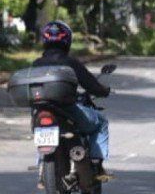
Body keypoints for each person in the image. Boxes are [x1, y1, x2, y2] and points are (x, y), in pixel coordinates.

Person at [33, 20, 112, 179]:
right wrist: (104, 90)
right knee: (101, 121)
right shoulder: (70, 63)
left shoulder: (36, 64)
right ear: (67, 41)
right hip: (68, 112)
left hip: (39, 113)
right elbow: (92, 86)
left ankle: (41, 163)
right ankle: (97, 163)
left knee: (42, 133)